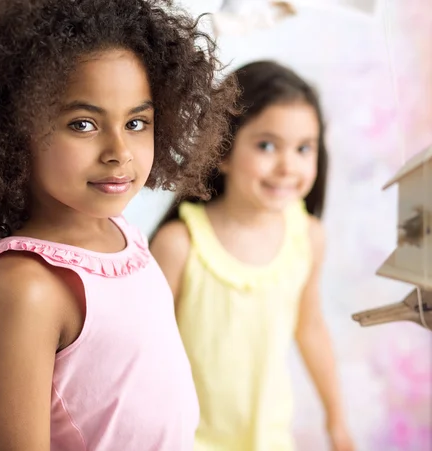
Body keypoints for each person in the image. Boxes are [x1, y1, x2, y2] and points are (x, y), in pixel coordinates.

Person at [0, 0, 234, 449]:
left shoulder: (125, 238)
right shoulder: (26, 287)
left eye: (137, 122)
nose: (120, 150)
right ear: (9, 131)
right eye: (83, 124)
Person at [150, 60, 354, 451]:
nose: (287, 165)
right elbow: (145, 353)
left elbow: (309, 328)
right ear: (221, 150)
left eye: (303, 148)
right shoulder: (180, 245)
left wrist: (337, 422)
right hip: (187, 441)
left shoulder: (308, 237)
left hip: (271, 440)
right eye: (266, 145)